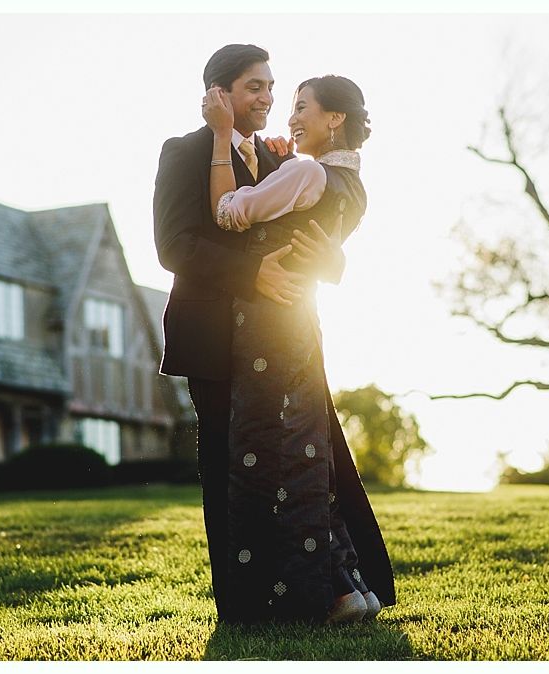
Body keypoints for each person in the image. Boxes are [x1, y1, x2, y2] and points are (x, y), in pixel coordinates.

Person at [201, 73, 396, 624]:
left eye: (302, 106)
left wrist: (222, 142)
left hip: (266, 322)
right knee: (306, 457)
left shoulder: (308, 172)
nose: (290, 116)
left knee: (262, 458)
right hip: (302, 326)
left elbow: (228, 213)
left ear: (334, 119)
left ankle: (294, 598)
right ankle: (343, 586)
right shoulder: (351, 186)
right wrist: (283, 167)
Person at [154, 44, 336, 623]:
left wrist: (333, 262)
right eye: (254, 87)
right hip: (211, 336)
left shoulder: (282, 160)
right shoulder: (183, 151)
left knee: (289, 464)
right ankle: (239, 604)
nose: (268, 98)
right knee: (229, 471)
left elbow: (312, 233)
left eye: (271, 87)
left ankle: (300, 592)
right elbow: (173, 246)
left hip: (281, 337)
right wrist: (250, 274)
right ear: (219, 93)